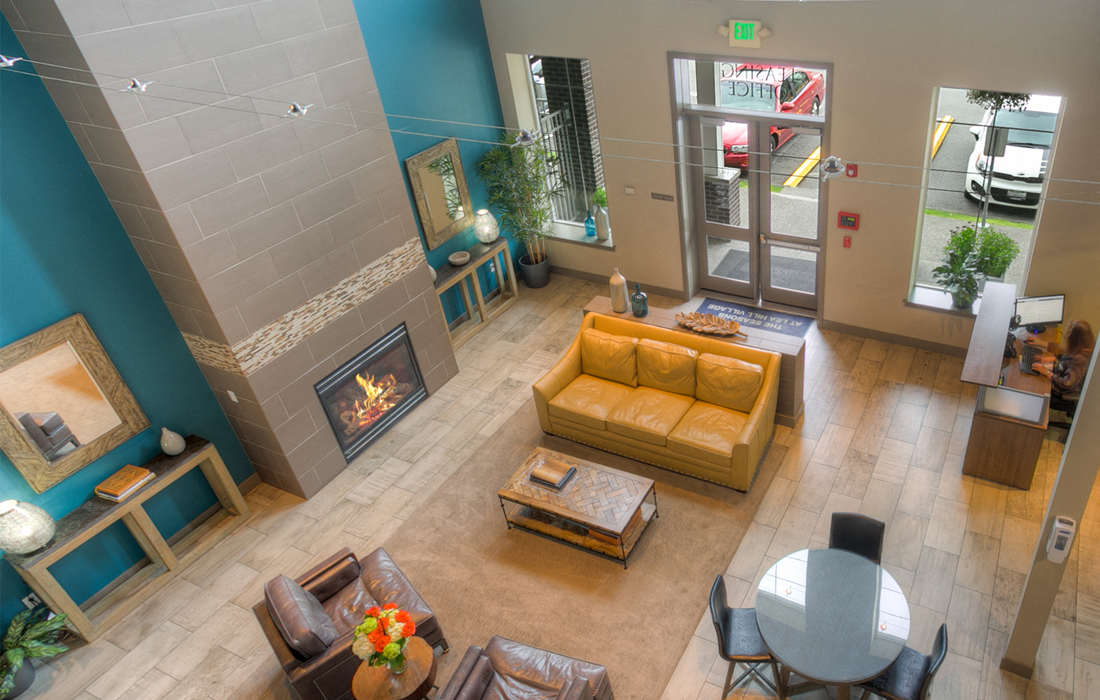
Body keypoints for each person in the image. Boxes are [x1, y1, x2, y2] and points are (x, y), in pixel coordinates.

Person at [1028, 318, 1095, 398]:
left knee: (1033, 385)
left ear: (1074, 340)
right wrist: (1053, 359)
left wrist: (1046, 372)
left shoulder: (1078, 363)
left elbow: (1066, 384)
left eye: (1069, 333)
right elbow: (1063, 354)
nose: (1066, 334)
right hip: (1059, 373)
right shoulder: (1081, 349)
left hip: (1062, 389)